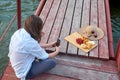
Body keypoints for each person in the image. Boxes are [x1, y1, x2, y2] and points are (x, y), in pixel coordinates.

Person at [8, 15, 60, 80]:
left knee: (41, 55)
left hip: (18, 64)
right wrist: (57, 51)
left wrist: (49, 45)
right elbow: (45, 56)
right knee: (52, 62)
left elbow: (33, 46)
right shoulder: (29, 42)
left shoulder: (19, 32)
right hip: (25, 72)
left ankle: (37, 60)